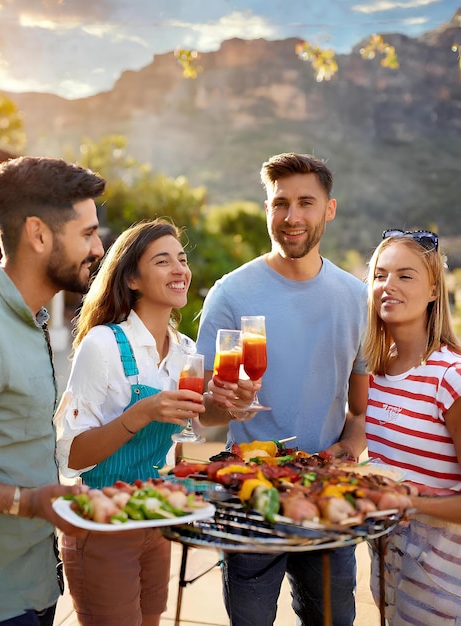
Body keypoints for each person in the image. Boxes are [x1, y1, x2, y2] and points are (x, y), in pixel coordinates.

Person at [196, 152, 369, 626]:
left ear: (329, 209)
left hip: (325, 493)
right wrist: (225, 405)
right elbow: (204, 414)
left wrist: (349, 449)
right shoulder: (231, 294)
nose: (291, 217)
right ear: (266, 208)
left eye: (306, 203)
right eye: (280, 203)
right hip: (250, 493)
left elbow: (360, 412)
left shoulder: (357, 298)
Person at [0, 156, 106, 626]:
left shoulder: (36, 320)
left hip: (38, 586)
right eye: (87, 233)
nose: (98, 246)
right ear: (38, 234)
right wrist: (27, 503)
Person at [55, 218, 206, 626]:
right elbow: (71, 455)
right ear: (133, 279)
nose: (180, 270)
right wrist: (141, 413)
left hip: (154, 517)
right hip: (100, 520)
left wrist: (231, 403)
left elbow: (199, 417)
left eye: (182, 258)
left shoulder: (185, 352)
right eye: (163, 261)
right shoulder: (102, 344)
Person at [364, 228, 461, 623]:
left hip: (444, 571)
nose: (389, 285)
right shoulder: (374, 374)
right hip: (386, 553)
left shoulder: (450, 377)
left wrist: (409, 504)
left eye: (406, 275)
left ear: (434, 291)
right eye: (381, 275)